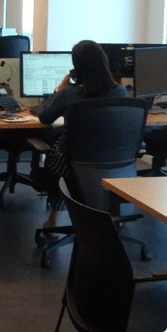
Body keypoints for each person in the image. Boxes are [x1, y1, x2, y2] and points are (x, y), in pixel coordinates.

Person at [35, 39, 127, 230]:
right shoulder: (120, 92)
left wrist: (58, 89)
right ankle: (107, 219)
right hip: (110, 160)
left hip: (71, 163)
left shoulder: (69, 93)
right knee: (68, 155)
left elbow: (44, 116)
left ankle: (54, 220)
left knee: (61, 150)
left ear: (77, 68)